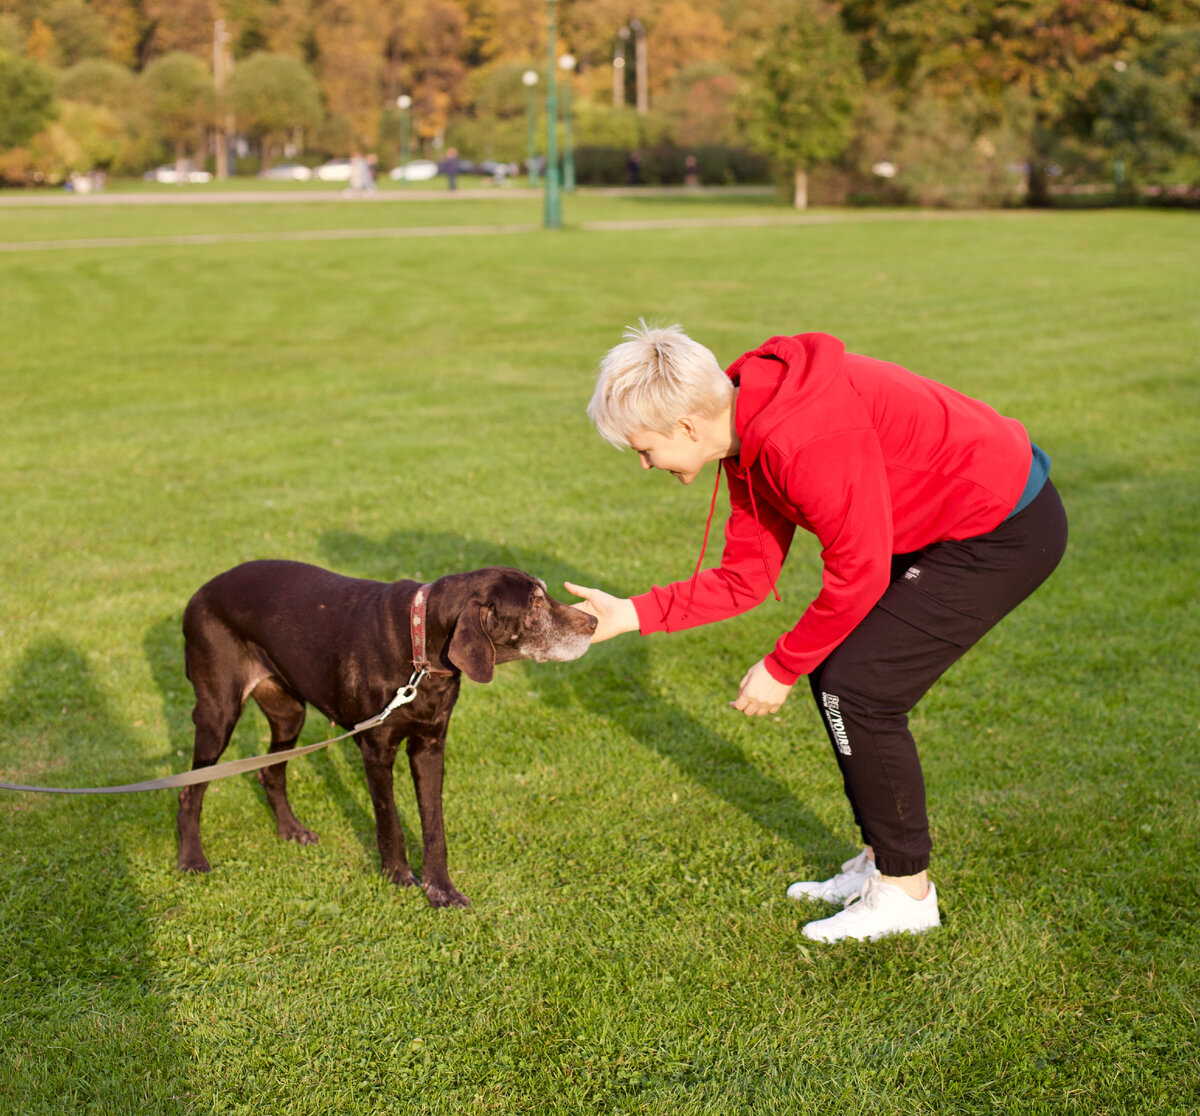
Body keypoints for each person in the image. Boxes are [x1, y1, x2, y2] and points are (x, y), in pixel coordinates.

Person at [567, 323, 1067, 943]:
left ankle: (906, 896)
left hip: (1002, 527)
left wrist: (780, 667)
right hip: (941, 525)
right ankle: (885, 862)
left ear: (688, 427)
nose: (645, 464)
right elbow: (746, 577)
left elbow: (855, 577)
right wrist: (631, 612)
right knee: (843, 679)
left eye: (645, 449)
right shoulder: (746, 433)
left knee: (858, 688)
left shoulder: (802, 437)